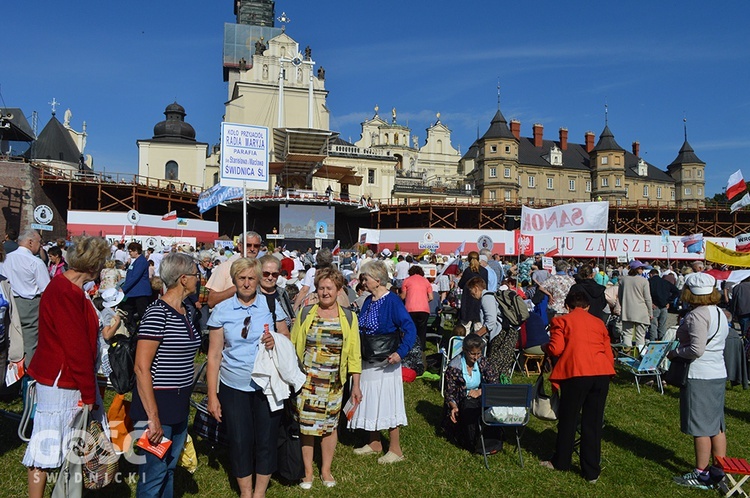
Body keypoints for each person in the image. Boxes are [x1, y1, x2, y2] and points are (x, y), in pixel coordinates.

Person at [23, 237, 110, 498]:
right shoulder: (66, 292)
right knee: (45, 449)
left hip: (62, 378)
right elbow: (76, 348)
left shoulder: (67, 287)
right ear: (94, 266)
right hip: (63, 381)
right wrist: (88, 393)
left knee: (59, 446)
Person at [206, 258, 290, 498]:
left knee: (266, 438)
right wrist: (213, 395)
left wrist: (277, 341)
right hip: (233, 385)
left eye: (251, 278)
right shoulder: (222, 310)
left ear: (258, 280)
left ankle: (260, 492)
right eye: (241, 278)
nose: (246, 283)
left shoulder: (270, 306)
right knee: (240, 440)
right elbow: (213, 356)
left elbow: (286, 336)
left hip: (267, 385)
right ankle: (245, 492)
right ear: (234, 281)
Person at [130, 252, 202, 497]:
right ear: (183, 279)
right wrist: (153, 418)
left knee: (169, 467)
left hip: (178, 404)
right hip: (157, 404)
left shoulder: (185, 311)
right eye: (195, 274)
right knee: (154, 474)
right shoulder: (157, 313)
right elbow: (141, 367)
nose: (198, 279)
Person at [291, 267, 362, 489]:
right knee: (307, 426)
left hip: (334, 382)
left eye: (329, 288)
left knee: (330, 426)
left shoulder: (349, 318)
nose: (324, 292)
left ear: (338, 290)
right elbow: (293, 347)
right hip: (307, 380)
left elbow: (354, 354)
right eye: (321, 288)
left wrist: (356, 384)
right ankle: (308, 471)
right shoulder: (305, 313)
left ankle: (326, 470)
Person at [540, 291, 615, 483]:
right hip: (601, 372)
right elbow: (608, 351)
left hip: (576, 373)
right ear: (588, 307)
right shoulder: (599, 323)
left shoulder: (562, 321)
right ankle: (591, 471)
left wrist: (545, 348)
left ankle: (561, 461)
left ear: (566, 306)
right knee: (593, 422)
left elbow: (556, 348)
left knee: (569, 419)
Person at [349, 260, 416, 464]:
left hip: (386, 361)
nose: (363, 281)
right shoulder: (368, 300)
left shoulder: (392, 301)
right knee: (369, 399)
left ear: (377, 280)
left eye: (365, 278)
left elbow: (410, 329)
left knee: (388, 402)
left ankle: (396, 449)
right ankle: (375, 442)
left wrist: (400, 352)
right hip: (368, 358)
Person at [668, 273, 729, 490]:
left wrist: (675, 353)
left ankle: (701, 473)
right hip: (717, 371)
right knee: (716, 424)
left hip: (700, 374)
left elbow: (696, 349)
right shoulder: (720, 313)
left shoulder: (697, 316)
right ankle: (719, 469)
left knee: (701, 427)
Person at [442, 333, 499, 453]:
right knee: (469, 409)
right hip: (461, 401)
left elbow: (494, 383)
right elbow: (449, 392)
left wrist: (480, 391)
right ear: (464, 350)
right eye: (472, 354)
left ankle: (492, 442)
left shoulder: (483, 362)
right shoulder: (454, 366)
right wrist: (454, 407)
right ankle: (473, 443)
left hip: (480, 396)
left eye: (479, 353)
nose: (476, 357)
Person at [3, 229, 50, 366]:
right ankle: (28, 374)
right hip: (29, 304)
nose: (40, 245)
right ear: (30, 242)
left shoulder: (6, 259)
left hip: (9, 301)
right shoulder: (36, 262)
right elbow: (45, 290)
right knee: (30, 341)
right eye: (39, 242)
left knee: (10, 337)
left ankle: (10, 370)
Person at [206, 231, 262, 308]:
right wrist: (239, 286)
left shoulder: (262, 269)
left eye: (256, 246)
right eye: (248, 245)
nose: (252, 249)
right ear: (239, 246)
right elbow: (211, 301)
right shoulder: (226, 267)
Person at [619, 261, 653, 348]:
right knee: (640, 336)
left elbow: (620, 296)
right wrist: (650, 312)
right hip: (641, 310)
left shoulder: (623, 280)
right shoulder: (644, 281)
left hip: (627, 310)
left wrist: (623, 306)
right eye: (641, 268)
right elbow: (647, 298)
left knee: (627, 334)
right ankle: (640, 356)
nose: (642, 270)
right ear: (637, 269)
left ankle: (626, 355)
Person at [400, 264, 433, 354]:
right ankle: (421, 349)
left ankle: (411, 347)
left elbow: (403, 296)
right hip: (424, 309)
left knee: (411, 330)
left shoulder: (406, 281)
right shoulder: (426, 281)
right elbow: (431, 297)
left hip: (410, 308)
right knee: (422, 330)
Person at [120, 242, 153, 325]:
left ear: (136, 251)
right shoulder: (136, 261)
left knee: (142, 313)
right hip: (133, 292)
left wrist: (124, 288)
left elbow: (135, 277)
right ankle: (131, 328)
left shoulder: (141, 261)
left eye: (130, 251)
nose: (129, 253)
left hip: (140, 292)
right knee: (127, 310)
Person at [258, 255, 295, 329]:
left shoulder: (282, 293)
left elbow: (291, 316)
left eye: (274, 274)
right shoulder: (252, 295)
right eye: (266, 274)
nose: (270, 278)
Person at [457, 251, 489, 333]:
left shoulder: (468, 271)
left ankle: (464, 344)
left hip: (468, 301)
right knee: (478, 327)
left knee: (465, 328)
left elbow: (461, 284)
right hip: (480, 301)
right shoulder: (484, 271)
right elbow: (486, 286)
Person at [648, 268, 679, 341]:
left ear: (650, 274)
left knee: (653, 325)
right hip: (664, 306)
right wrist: (669, 301)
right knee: (662, 325)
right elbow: (676, 292)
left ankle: (653, 341)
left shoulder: (649, 282)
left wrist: (650, 302)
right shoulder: (665, 282)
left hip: (654, 306)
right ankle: (662, 340)